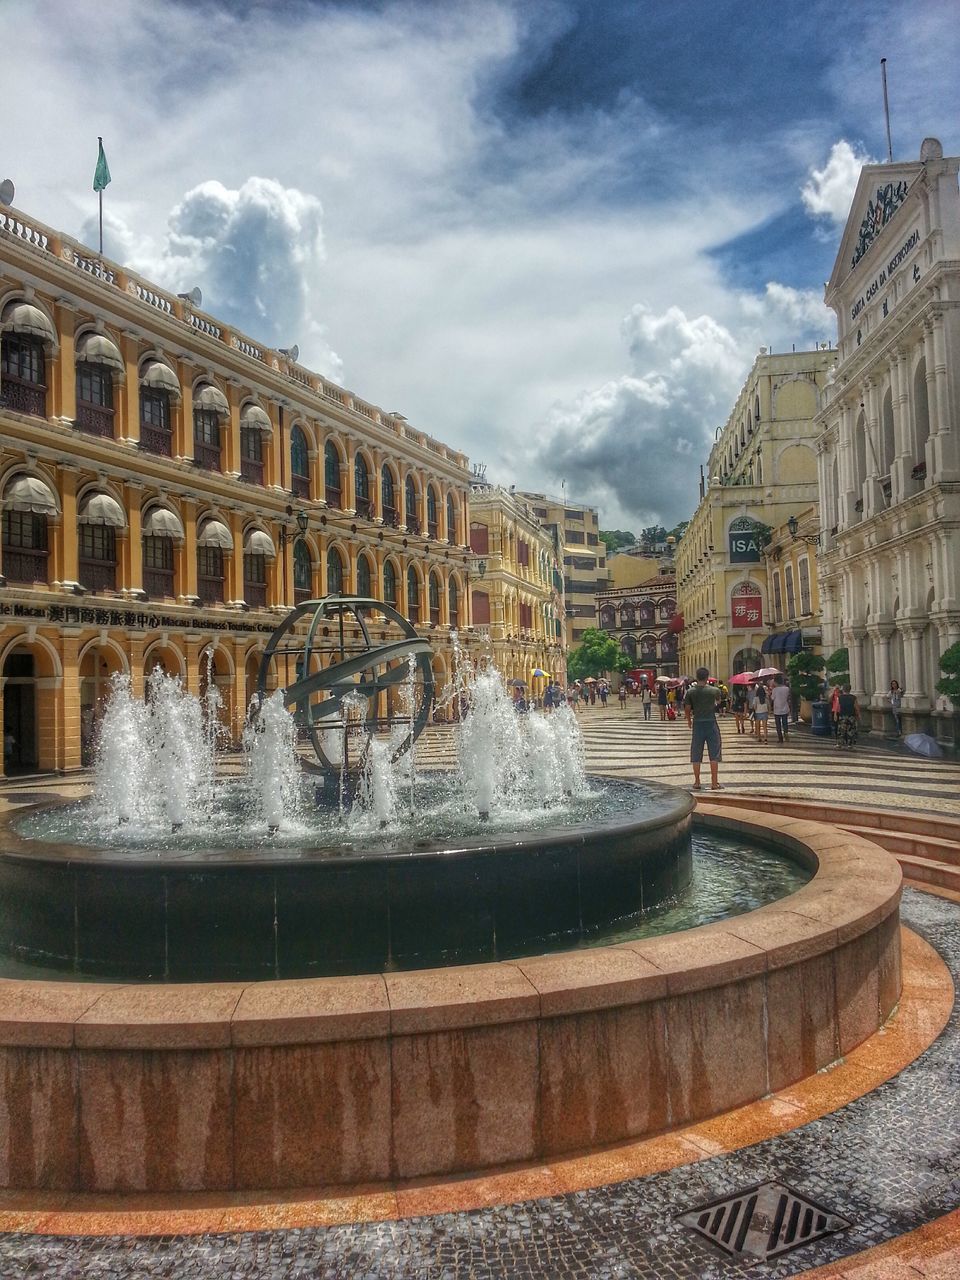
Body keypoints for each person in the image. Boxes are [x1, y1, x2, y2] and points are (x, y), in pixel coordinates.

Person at [684, 666, 723, 791]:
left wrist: (689, 720)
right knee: (714, 753)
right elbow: (718, 702)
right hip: (711, 722)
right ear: (707, 677)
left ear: (697, 676)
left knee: (696, 752)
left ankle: (697, 782)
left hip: (698, 723)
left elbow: (687, 708)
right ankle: (714, 782)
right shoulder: (714, 690)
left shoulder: (690, 692)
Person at [837, 683, 860, 749]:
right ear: (850, 689)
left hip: (842, 715)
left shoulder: (840, 697)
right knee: (851, 730)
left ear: (843, 689)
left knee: (841, 730)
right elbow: (856, 707)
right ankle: (850, 744)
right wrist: (858, 715)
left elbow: (837, 707)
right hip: (851, 716)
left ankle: (840, 743)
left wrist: (836, 714)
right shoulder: (853, 697)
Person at [771, 674, 792, 743]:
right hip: (785, 707)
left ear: (776, 682)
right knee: (785, 723)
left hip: (777, 709)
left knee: (778, 724)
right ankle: (786, 733)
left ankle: (780, 738)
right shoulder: (786, 688)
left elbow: (772, 698)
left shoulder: (775, 690)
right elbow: (788, 697)